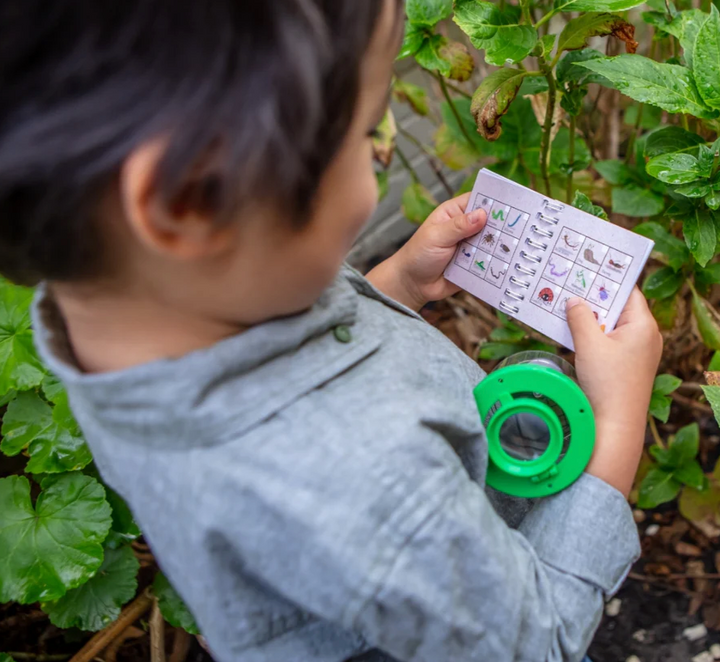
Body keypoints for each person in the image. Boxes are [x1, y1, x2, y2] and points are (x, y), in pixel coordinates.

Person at [1, 0, 662, 660]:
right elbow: (531, 642)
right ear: (191, 201)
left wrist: (392, 283)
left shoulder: (109, 312)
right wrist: (618, 426)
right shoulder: (367, 486)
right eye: (362, 136)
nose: (380, 160)